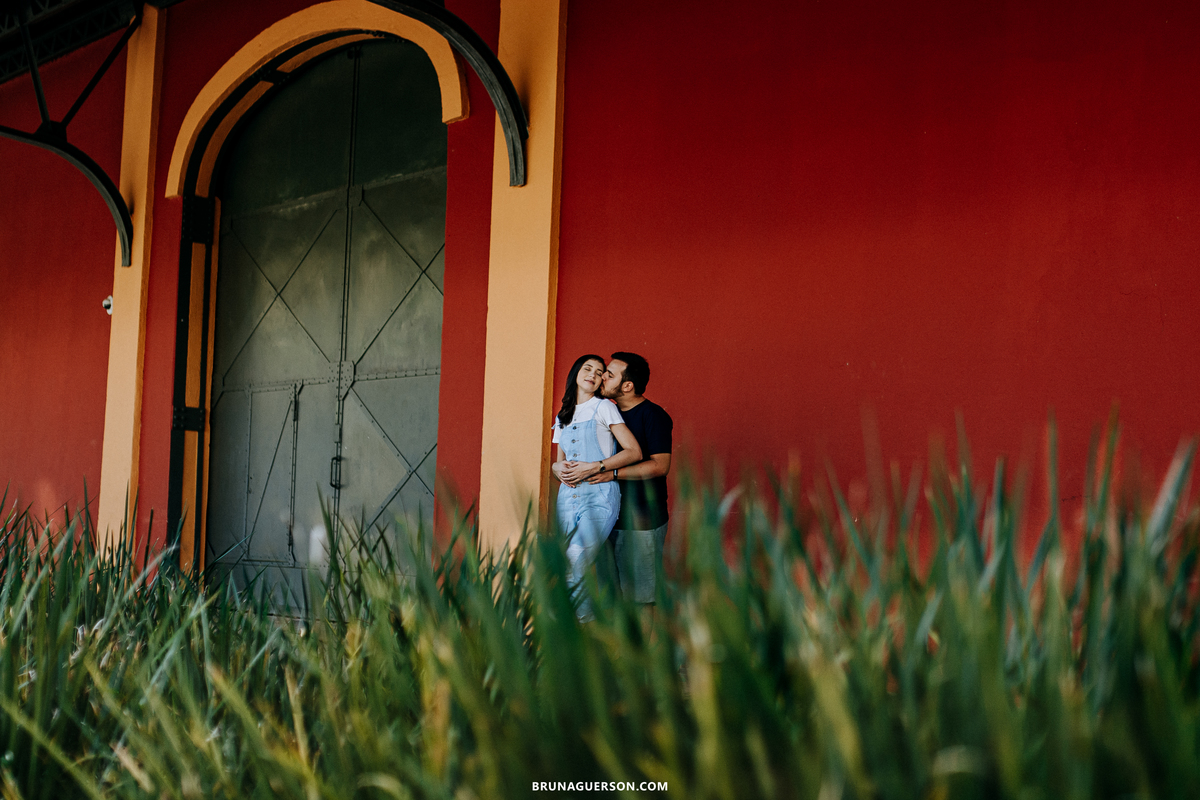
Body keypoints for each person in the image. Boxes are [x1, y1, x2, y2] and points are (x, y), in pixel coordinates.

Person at [579, 352, 673, 613]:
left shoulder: (653, 416)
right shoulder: (602, 411)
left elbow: (660, 465)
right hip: (605, 517)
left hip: (641, 520)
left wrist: (612, 474)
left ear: (627, 386)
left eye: (609, 375)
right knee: (607, 598)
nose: (602, 378)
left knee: (641, 599)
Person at [551, 354, 642, 620]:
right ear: (576, 373)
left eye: (599, 371)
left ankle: (581, 628)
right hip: (567, 498)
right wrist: (556, 468)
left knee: (575, 562)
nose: (593, 374)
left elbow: (633, 451)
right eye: (587, 368)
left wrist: (596, 466)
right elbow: (560, 463)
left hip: (598, 496)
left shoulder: (604, 407)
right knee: (567, 567)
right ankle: (580, 629)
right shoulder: (563, 415)